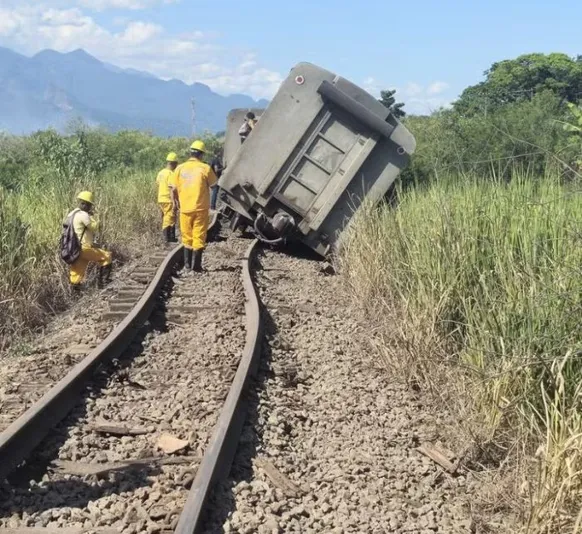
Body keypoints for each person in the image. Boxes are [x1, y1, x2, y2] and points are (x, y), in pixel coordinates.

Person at [170, 140, 218, 272]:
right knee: (199, 236)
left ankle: (187, 265)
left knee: (186, 236)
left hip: (185, 209)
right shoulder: (205, 168)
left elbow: (173, 189)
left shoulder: (179, 168)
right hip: (201, 208)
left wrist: (175, 203)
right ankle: (196, 266)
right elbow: (214, 186)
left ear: (190, 153)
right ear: (201, 155)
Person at [67, 191, 112, 290]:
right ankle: (104, 285)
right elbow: (94, 227)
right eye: (90, 205)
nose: (90, 208)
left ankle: (77, 295)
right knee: (106, 256)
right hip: (84, 248)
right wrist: (92, 217)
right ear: (86, 204)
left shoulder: (71, 214)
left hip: (74, 249)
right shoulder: (83, 215)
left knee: (76, 275)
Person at [156, 152, 179, 243]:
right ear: (173, 163)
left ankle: (171, 238)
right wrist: (174, 202)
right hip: (168, 199)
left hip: (161, 198)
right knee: (168, 218)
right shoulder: (170, 174)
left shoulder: (160, 173)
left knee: (171, 217)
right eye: (176, 164)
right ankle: (166, 239)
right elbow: (171, 189)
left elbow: (158, 184)